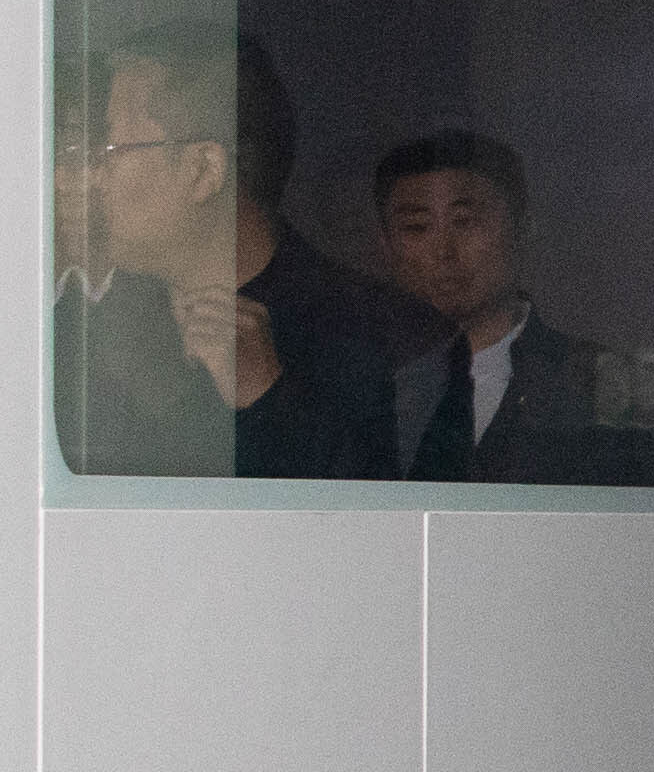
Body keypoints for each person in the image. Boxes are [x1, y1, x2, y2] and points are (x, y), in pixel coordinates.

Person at [56, 26, 398, 479]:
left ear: (204, 170)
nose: (93, 177)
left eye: (110, 149)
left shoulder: (380, 336)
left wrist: (269, 398)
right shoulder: (88, 331)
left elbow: (402, 514)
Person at [373, 131, 654, 489]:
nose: (443, 251)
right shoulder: (357, 390)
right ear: (386, 245)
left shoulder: (621, 391)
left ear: (522, 227)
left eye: (465, 221)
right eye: (416, 228)